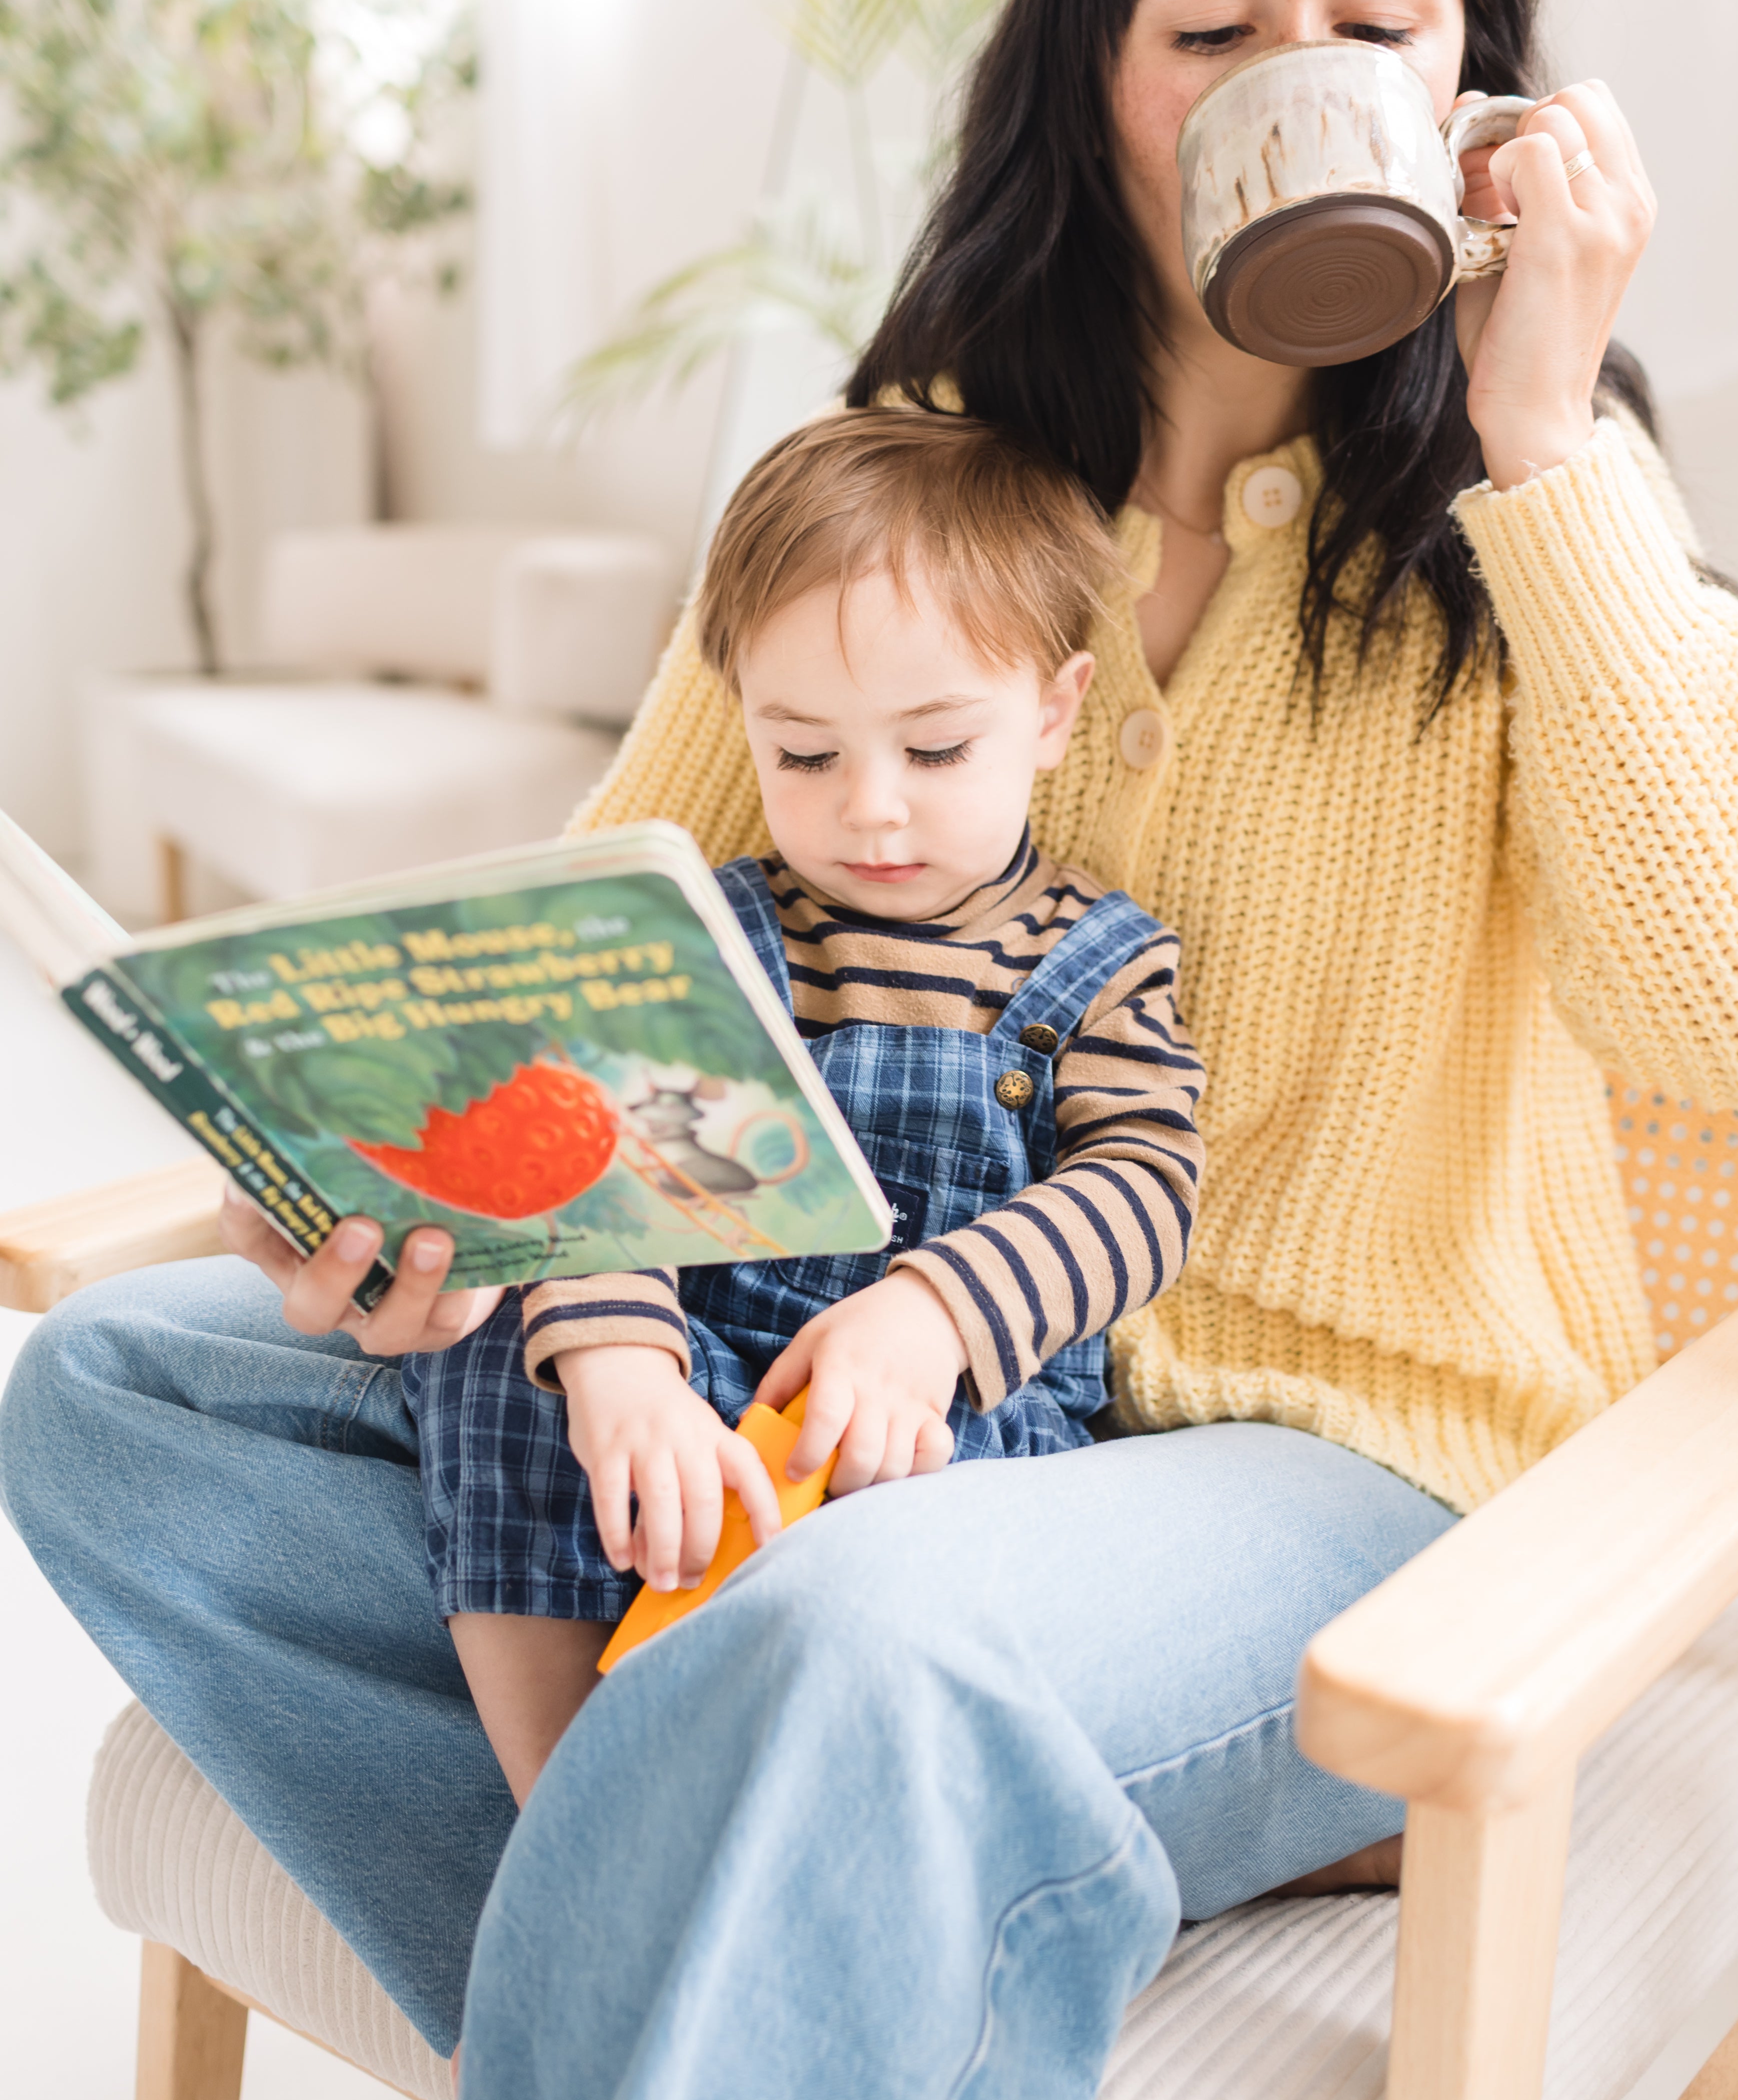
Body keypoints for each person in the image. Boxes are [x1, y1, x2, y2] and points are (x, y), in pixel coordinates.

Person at [5, 0, 1738, 2100]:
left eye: (1376, 19)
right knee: (120, 1387)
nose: (1298, 71)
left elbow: (1712, 1020)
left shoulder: (1534, 520)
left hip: (1328, 1482)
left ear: (1474, 88)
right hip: (827, 1408)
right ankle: (754, 1990)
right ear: (1086, 66)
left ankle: (735, 2065)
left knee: (842, 1639)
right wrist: (411, 1209)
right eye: (1211, 20)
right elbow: (592, 961)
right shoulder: (923, 479)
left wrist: (1533, 419)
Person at [411, 411, 1204, 1806]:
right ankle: (563, 1807)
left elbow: (1143, 1186)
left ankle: (729, 1793)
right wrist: (624, 1367)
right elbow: (602, 1159)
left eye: (937, 749)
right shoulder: (714, 933)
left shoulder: (1096, 957)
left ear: (1055, 713)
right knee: (501, 1332)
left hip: (946, 1427)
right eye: (805, 755)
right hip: (703, 1391)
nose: (870, 812)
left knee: (884, 1581)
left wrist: (937, 1315)